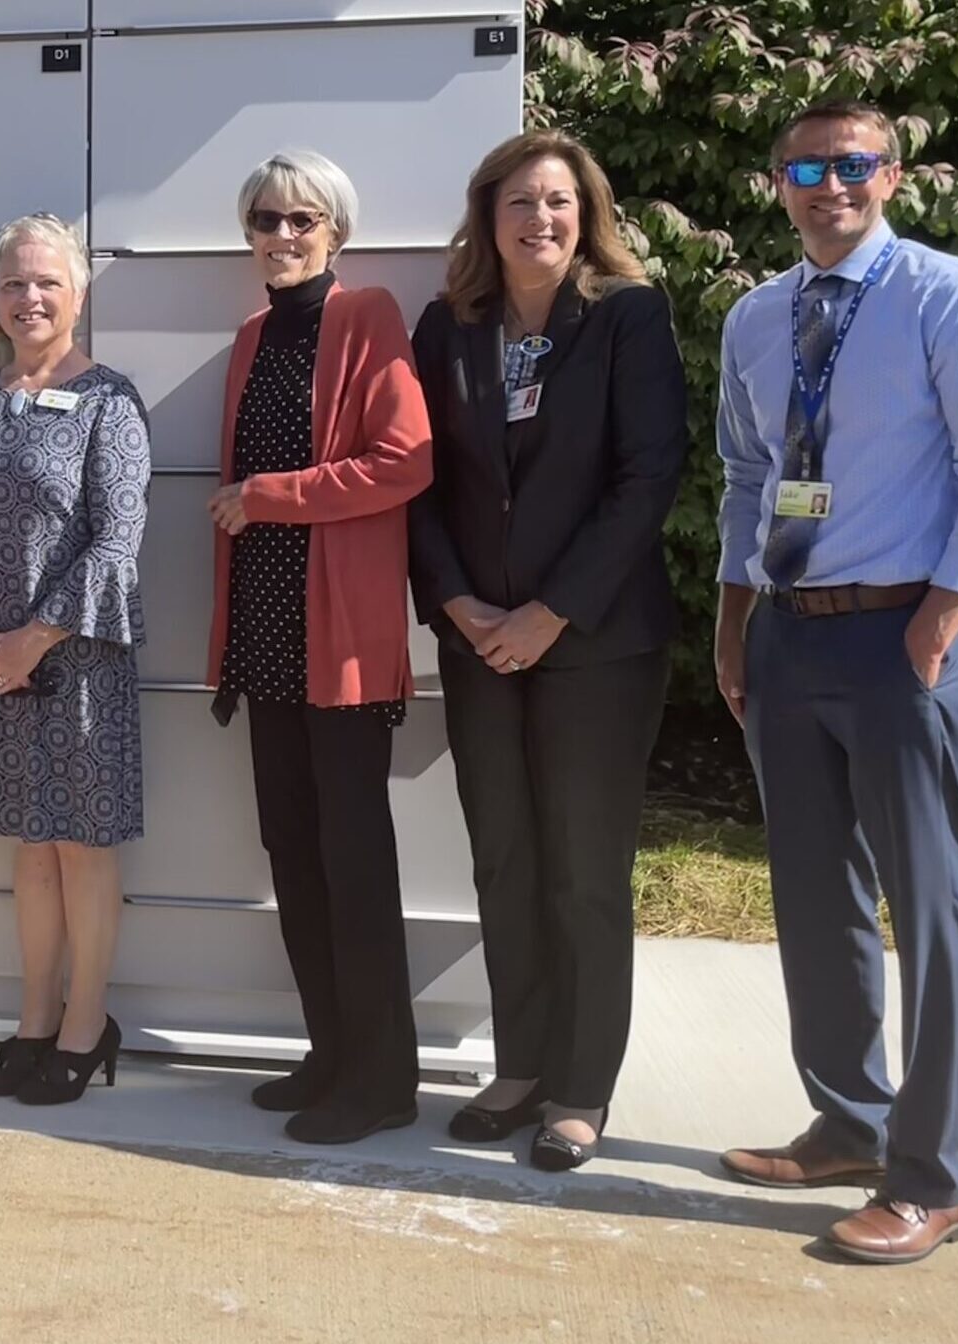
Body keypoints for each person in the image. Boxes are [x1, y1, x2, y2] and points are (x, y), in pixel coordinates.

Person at [711, 99, 958, 1264]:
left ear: (891, 176)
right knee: (814, 894)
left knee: (929, 903)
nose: (827, 185)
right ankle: (849, 1123)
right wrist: (731, 619)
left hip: (909, 633)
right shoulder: (758, 319)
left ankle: (930, 1175)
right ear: (777, 182)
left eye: (850, 165)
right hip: (788, 636)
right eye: (803, 166)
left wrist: (945, 615)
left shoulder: (954, 297)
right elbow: (748, 478)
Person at [409, 131, 689, 1171]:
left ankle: (580, 1085)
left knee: (582, 871)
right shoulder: (448, 327)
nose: (540, 219)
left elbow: (645, 477)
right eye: (520, 201)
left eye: (559, 202)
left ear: (587, 214)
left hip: (596, 646)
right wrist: (458, 600)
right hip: (478, 638)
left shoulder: (626, 315)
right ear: (488, 216)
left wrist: (550, 611)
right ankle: (520, 1064)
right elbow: (419, 478)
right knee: (505, 859)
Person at [204, 151, 433, 1146]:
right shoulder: (254, 334)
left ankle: (383, 1078)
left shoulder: (367, 314)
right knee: (293, 851)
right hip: (263, 627)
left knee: (352, 855)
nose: (283, 236)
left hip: (337, 631)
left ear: (334, 231)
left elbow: (403, 462)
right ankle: (330, 1053)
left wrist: (269, 497)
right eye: (265, 220)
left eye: (303, 220)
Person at [0, 213, 150, 1107]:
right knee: (30, 845)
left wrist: (34, 639)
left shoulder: (111, 403)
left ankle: (87, 1023)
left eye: (48, 280)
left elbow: (118, 541)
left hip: (79, 657)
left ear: (79, 291)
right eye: (14, 282)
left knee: (80, 845)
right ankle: (34, 1019)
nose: (31, 297)